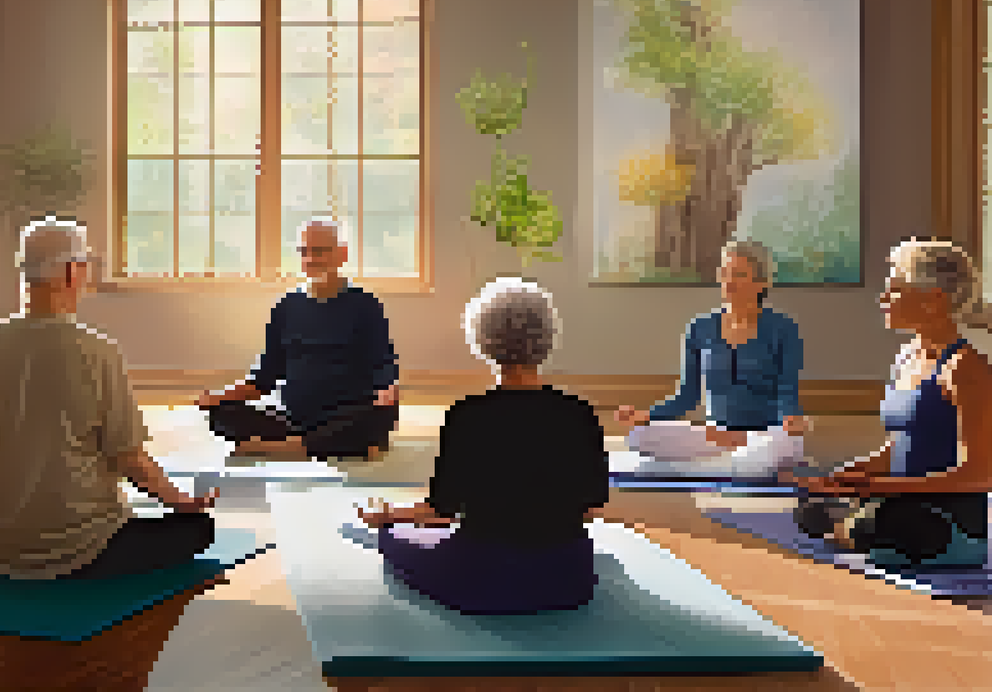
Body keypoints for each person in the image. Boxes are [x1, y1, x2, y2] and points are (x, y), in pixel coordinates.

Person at [0, 218, 218, 580]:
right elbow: (129, 458)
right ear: (71, 273)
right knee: (198, 530)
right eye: (86, 263)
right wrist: (182, 502)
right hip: (82, 550)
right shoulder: (96, 351)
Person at [356, 278, 608, 614]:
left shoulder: (468, 415)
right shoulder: (580, 412)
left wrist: (388, 516)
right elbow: (591, 506)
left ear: (483, 340)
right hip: (569, 579)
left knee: (392, 540)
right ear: (547, 337)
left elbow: (440, 511)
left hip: (484, 579)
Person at [795, 239, 992, 568]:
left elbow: (978, 475)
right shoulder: (905, 358)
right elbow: (901, 446)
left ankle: (857, 531)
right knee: (812, 507)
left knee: (888, 517)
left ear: (934, 300)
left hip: (945, 521)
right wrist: (852, 473)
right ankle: (856, 530)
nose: (883, 299)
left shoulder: (966, 369)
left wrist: (881, 487)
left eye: (895, 290)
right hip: (896, 499)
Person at [195, 218, 400, 461]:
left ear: (342, 254)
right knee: (221, 415)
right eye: (305, 252)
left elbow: (383, 362)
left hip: (346, 411)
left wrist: (388, 388)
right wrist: (221, 396)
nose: (311, 260)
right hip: (294, 416)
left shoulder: (366, 304)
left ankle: (291, 448)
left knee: (382, 414)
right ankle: (322, 445)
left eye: (320, 251)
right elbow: (264, 378)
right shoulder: (285, 306)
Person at [616, 240, 811, 477]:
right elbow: (686, 398)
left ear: (762, 283)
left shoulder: (783, 329)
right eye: (725, 272)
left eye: (739, 274)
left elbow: (787, 392)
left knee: (781, 445)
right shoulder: (700, 328)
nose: (729, 281)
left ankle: (726, 464)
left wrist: (791, 420)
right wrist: (645, 416)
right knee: (639, 436)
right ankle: (728, 465)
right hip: (716, 436)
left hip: (764, 436)